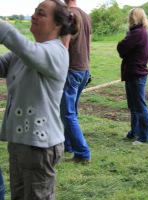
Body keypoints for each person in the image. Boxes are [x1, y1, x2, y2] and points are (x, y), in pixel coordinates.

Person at [0, 0, 79, 199]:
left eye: (41, 13)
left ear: (57, 24)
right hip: (20, 142)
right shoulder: (27, 52)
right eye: (35, 11)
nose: (34, 15)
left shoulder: (56, 52)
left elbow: (26, 49)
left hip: (40, 146)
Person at [60, 0, 92, 162]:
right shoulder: (86, 15)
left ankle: (82, 153)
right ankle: (69, 145)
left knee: (67, 113)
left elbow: (64, 47)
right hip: (83, 69)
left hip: (71, 70)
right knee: (71, 111)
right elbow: (89, 44)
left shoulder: (68, 15)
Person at [117, 8, 148, 145]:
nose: (129, 19)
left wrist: (121, 44)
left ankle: (144, 137)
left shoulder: (137, 33)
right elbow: (123, 50)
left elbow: (121, 48)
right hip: (132, 73)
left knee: (139, 106)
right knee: (133, 106)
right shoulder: (139, 32)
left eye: (130, 17)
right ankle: (134, 132)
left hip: (136, 74)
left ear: (135, 18)